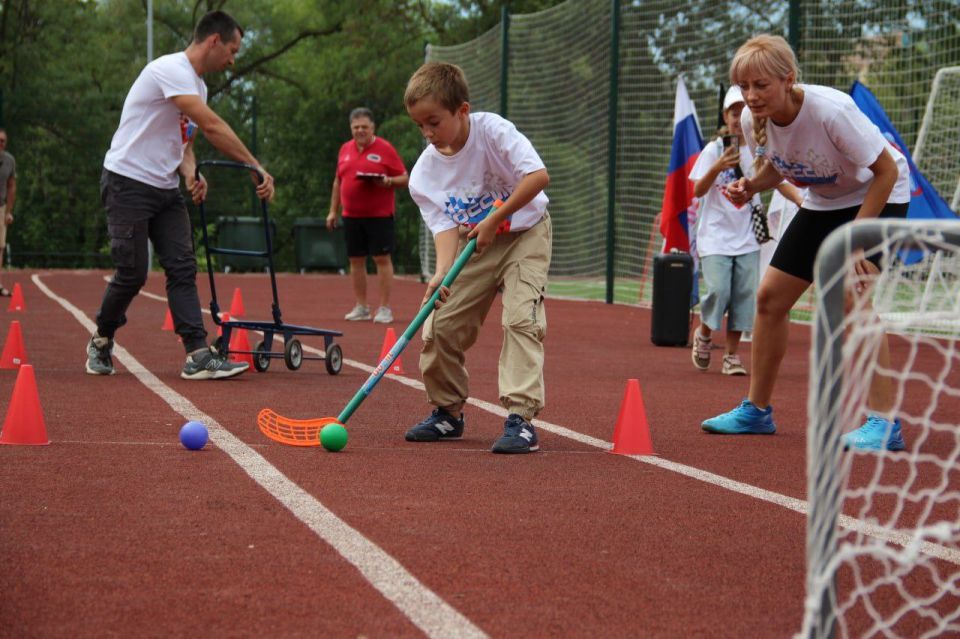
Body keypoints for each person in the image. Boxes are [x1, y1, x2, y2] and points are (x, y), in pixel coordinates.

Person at [701, 34, 911, 452]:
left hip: (880, 195)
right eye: (744, 86)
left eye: (761, 85)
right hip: (824, 201)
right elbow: (781, 168)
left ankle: (885, 424)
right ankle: (756, 411)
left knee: (851, 299)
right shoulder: (749, 119)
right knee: (769, 298)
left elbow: (885, 171)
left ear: (788, 79)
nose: (751, 95)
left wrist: (855, 240)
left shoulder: (831, 110)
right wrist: (750, 185)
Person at [86, 10, 275, 380]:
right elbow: (211, 125)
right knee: (133, 272)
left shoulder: (198, 87)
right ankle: (101, 340)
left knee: (183, 267)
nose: (234, 59)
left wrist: (191, 173)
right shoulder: (169, 69)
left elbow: (184, 142)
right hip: (127, 181)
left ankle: (197, 355)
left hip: (165, 189)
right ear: (214, 41)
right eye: (233, 50)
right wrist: (255, 165)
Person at [402, 62, 552, 454]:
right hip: (475, 243)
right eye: (420, 126)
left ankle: (520, 419)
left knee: (521, 318)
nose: (428, 134)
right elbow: (443, 229)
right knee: (439, 325)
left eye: (434, 122)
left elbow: (537, 176)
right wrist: (442, 274)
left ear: (462, 110)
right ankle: (447, 413)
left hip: (525, 234)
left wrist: (496, 218)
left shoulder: (494, 131)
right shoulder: (423, 175)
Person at [689, 86, 802, 375]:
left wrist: (801, 201)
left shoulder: (758, 148)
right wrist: (717, 167)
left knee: (744, 296)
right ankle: (704, 332)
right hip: (715, 236)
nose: (738, 116)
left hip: (748, 236)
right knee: (718, 289)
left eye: (743, 111)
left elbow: (777, 181)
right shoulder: (713, 149)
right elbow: (698, 189)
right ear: (725, 116)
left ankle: (731, 355)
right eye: (733, 111)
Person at [326, 107, 408, 324]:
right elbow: (338, 181)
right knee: (355, 260)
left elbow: (405, 178)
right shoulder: (344, 149)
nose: (360, 130)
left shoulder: (385, 148)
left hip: (379, 215)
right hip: (351, 215)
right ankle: (362, 306)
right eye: (356, 127)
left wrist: (387, 181)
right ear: (351, 128)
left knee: (381, 258)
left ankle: (384, 308)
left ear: (373, 127)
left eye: (364, 126)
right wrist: (333, 211)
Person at [0, 128, 16, 297]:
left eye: (3, 140)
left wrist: (8, 211)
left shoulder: (9, 161)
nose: (0, 143)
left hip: (1, 206)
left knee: (0, 247)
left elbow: (12, 185)